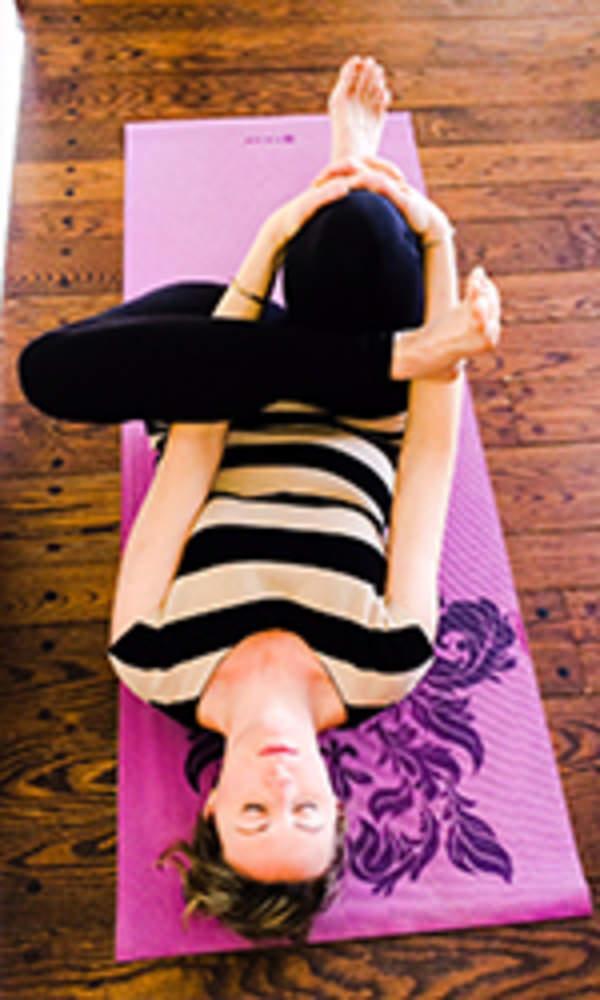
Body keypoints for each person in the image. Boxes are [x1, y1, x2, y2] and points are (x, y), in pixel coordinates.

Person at [17, 55, 501, 943]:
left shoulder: (151, 656)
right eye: (305, 815)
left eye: (253, 816)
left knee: (48, 373)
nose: (281, 787)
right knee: (358, 233)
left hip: (222, 375)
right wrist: (436, 243)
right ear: (338, 806)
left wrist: (269, 242)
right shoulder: (389, 659)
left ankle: (331, 318)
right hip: (362, 394)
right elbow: (428, 463)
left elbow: (194, 451)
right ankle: (351, 183)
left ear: (210, 806)